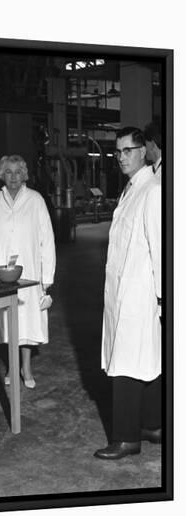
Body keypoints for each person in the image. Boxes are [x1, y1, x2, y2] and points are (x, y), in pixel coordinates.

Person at [94, 127, 161, 460]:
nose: (121, 157)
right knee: (146, 361)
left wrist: (164, 298)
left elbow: (163, 250)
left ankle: (125, 438)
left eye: (127, 150)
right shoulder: (132, 188)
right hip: (125, 291)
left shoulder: (153, 192)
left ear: (144, 152)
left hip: (140, 294)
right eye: (117, 151)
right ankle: (152, 425)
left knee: (127, 364)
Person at [0, 155, 56, 389]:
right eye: (8, 172)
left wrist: (47, 278)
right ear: (2, 175)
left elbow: (47, 238)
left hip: (30, 271)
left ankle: (26, 367)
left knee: (27, 321)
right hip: (1, 271)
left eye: (18, 172)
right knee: (7, 320)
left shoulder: (35, 200)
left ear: (24, 175)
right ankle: (11, 366)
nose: (13, 177)